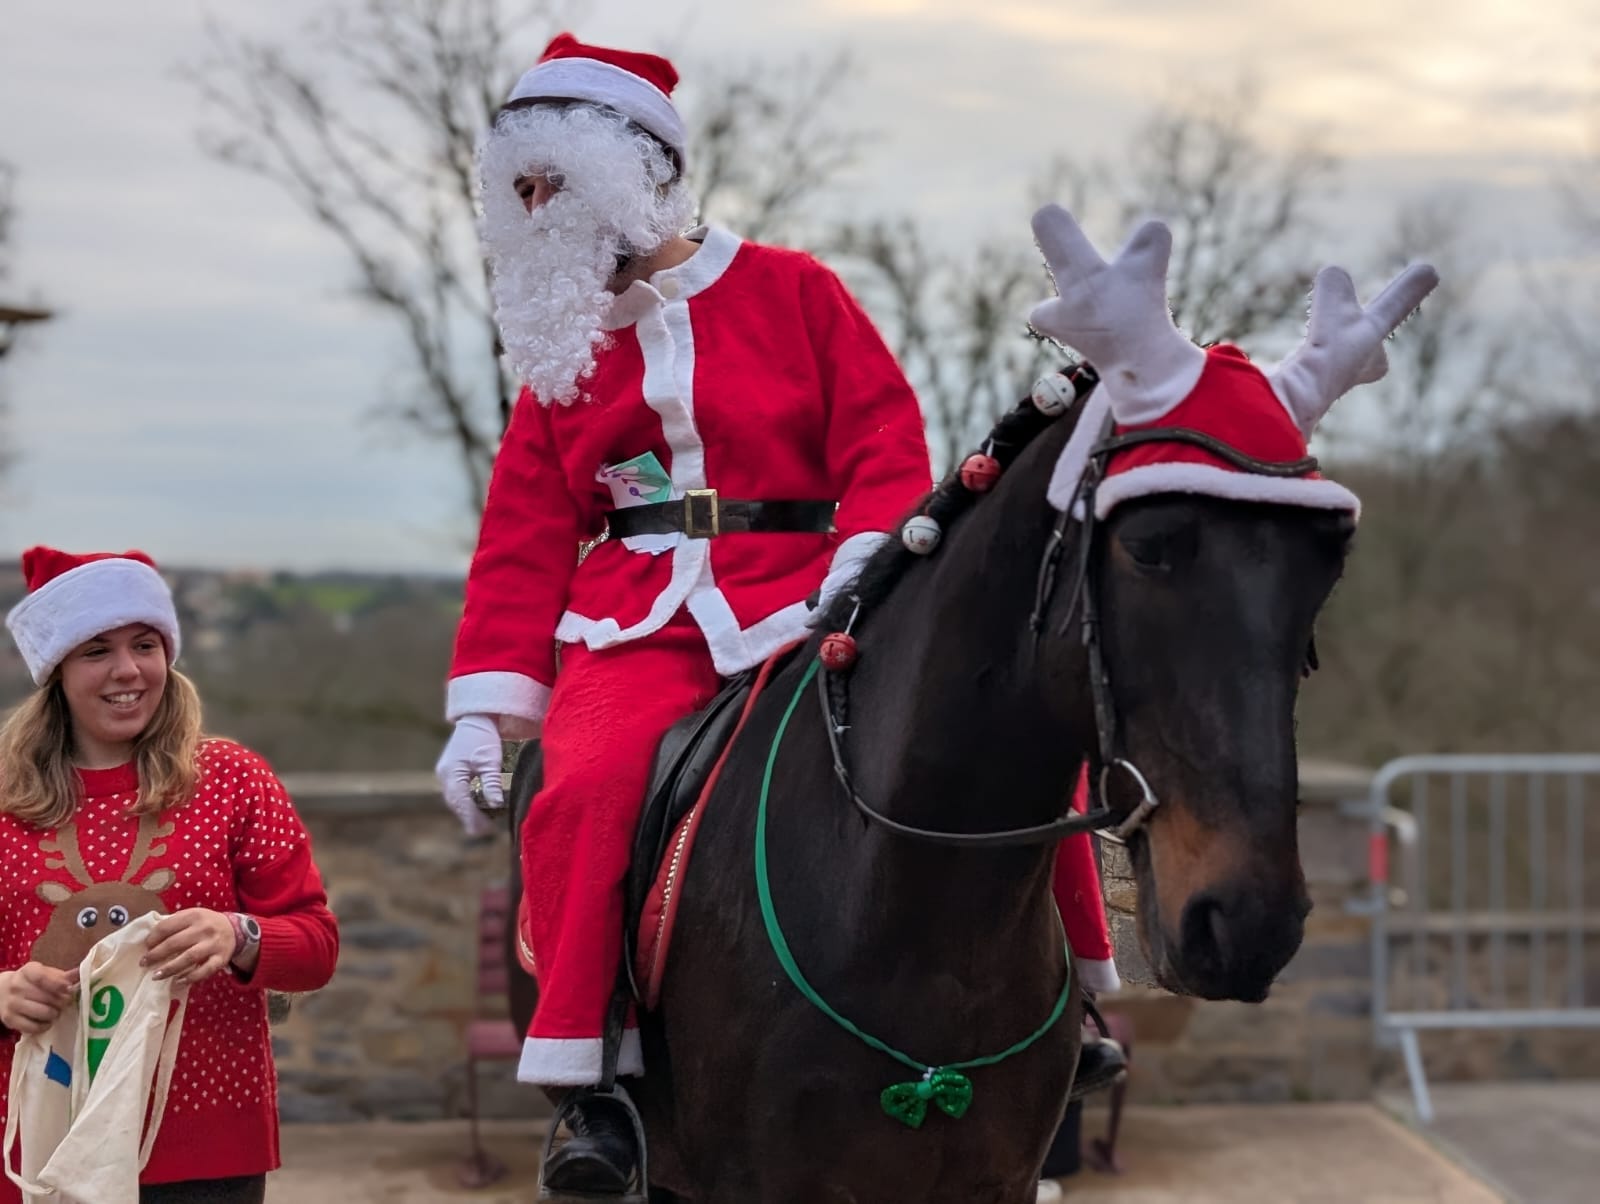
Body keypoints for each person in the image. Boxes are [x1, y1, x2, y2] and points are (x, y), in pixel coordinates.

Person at [433, 32, 1120, 1194]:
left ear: (633, 174)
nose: (532, 209)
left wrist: (862, 566)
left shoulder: (797, 291)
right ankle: (596, 1086)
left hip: (811, 593)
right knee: (586, 785)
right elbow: (522, 536)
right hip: (634, 624)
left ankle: (1070, 1009)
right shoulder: (558, 355)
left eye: (549, 183)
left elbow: (883, 437)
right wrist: (485, 712)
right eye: (520, 191)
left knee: (988, 737)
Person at [0, 547, 340, 1204]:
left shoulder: (233, 780)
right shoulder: (4, 803)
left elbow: (317, 948)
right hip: (37, 1149)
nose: (128, 669)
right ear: (56, 670)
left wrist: (239, 935)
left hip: (203, 1148)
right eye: (96, 650)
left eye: (145, 644)